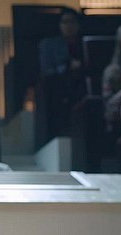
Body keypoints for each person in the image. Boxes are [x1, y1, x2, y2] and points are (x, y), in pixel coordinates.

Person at [37, 7, 86, 138]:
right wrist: (68, 67)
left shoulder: (84, 44)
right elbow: (47, 71)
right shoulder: (49, 45)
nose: (69, 26)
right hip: (58, 92)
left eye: (72, 22)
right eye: (65, 22)